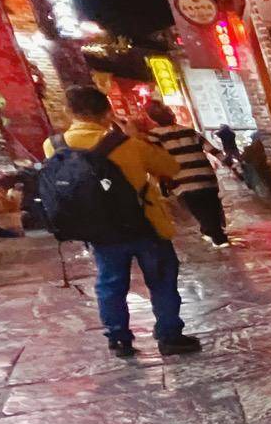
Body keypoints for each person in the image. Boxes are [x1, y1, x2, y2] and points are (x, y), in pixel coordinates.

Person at [44, 86, 201, 357]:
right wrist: (135, 136)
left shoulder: (54, 146)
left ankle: (118, 338)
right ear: (108, 112)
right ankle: (169, 335)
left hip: (99, 230)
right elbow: (170, 167)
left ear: (70, 112)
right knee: (161, 279)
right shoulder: (126, 144)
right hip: (144, 224)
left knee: (110, 283)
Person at [142, 102, 230, 247]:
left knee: (200, 211)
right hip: (206, 177)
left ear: (152, 119)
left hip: (182, 181)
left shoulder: (153, 137)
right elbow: (213, 150)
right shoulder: (189, 131)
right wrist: (233, 166)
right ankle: (215, 234)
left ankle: (216, 236)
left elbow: (155, 160)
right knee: (212, 207)